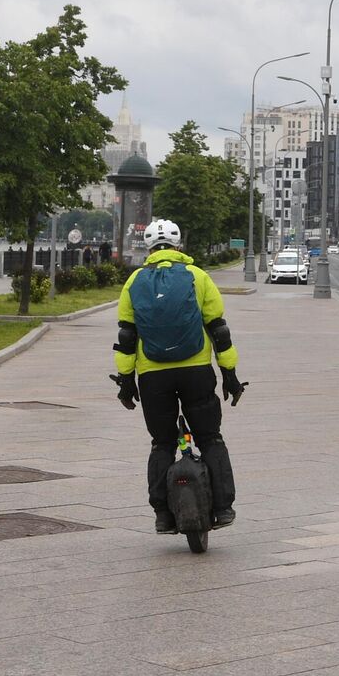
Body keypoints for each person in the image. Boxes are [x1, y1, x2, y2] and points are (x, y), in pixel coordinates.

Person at [111, 219, 246, 533]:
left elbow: (127, 336)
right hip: (196, 371)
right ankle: (223, 508)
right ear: (178, 246)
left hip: (152, 375)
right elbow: (219, 331)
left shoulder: (133, 281)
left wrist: (126, 380)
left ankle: (163, 515)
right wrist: (229, 373)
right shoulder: (198, 277)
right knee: (210, 438)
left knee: (162, 443)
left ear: (149, 248)